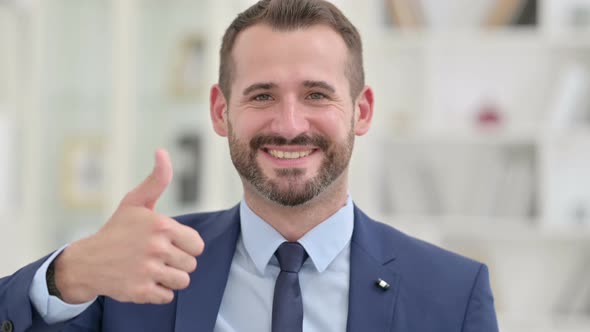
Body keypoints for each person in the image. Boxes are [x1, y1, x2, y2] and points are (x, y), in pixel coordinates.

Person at [0, 0, 499, 331]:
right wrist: (69, 274)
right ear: (221, 111)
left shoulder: (452, 294)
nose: (289, 123)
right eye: (262, 95)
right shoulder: (142, 267)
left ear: (361, 111)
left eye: (316, 94)